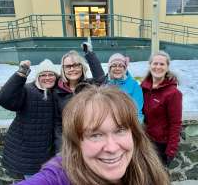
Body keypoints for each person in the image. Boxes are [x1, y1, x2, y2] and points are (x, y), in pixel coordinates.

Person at [15, 85, 170, 185]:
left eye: (120, 130)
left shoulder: (148, 168)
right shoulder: (60, 176)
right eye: (95, 135)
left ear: (134, 135)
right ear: (76, 143)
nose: (112, 147)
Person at [0, 59, 59, 179]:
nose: (47, 77)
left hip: (48, 155)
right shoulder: (27, 90)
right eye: (43, 75)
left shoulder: (57, 93)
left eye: (51, 74)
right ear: (37, 77)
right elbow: (4, 98)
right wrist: (21, 73)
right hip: (26, 155)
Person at [53, 44, 105, 152]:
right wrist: (61, 149)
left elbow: (100, 79)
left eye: (76, 65)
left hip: (89, 140)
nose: (72, 69)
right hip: (68, 142)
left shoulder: (89, 86)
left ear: (82, 67)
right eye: (68, 66)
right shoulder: (56, 90)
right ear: (63, 69)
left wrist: (89, 54)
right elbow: (58, 123)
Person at [141, 51, 182, 167]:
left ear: (167, 67)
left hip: (161, 145)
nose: (158, 67)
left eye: (162, 64)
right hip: (144, 141)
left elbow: (175, 123)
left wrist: (171, 150)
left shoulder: (173, 93)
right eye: (155, 63)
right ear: (150, 65)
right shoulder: (143, 88)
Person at [106, 53, 144, 123]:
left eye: (121, 66)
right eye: (114, 66)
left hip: (129, 124)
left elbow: (137, 112)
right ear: (109, 69)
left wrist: (135, 130)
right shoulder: (106, 86)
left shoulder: (134, 85)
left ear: (125, 69)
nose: (117, 68)